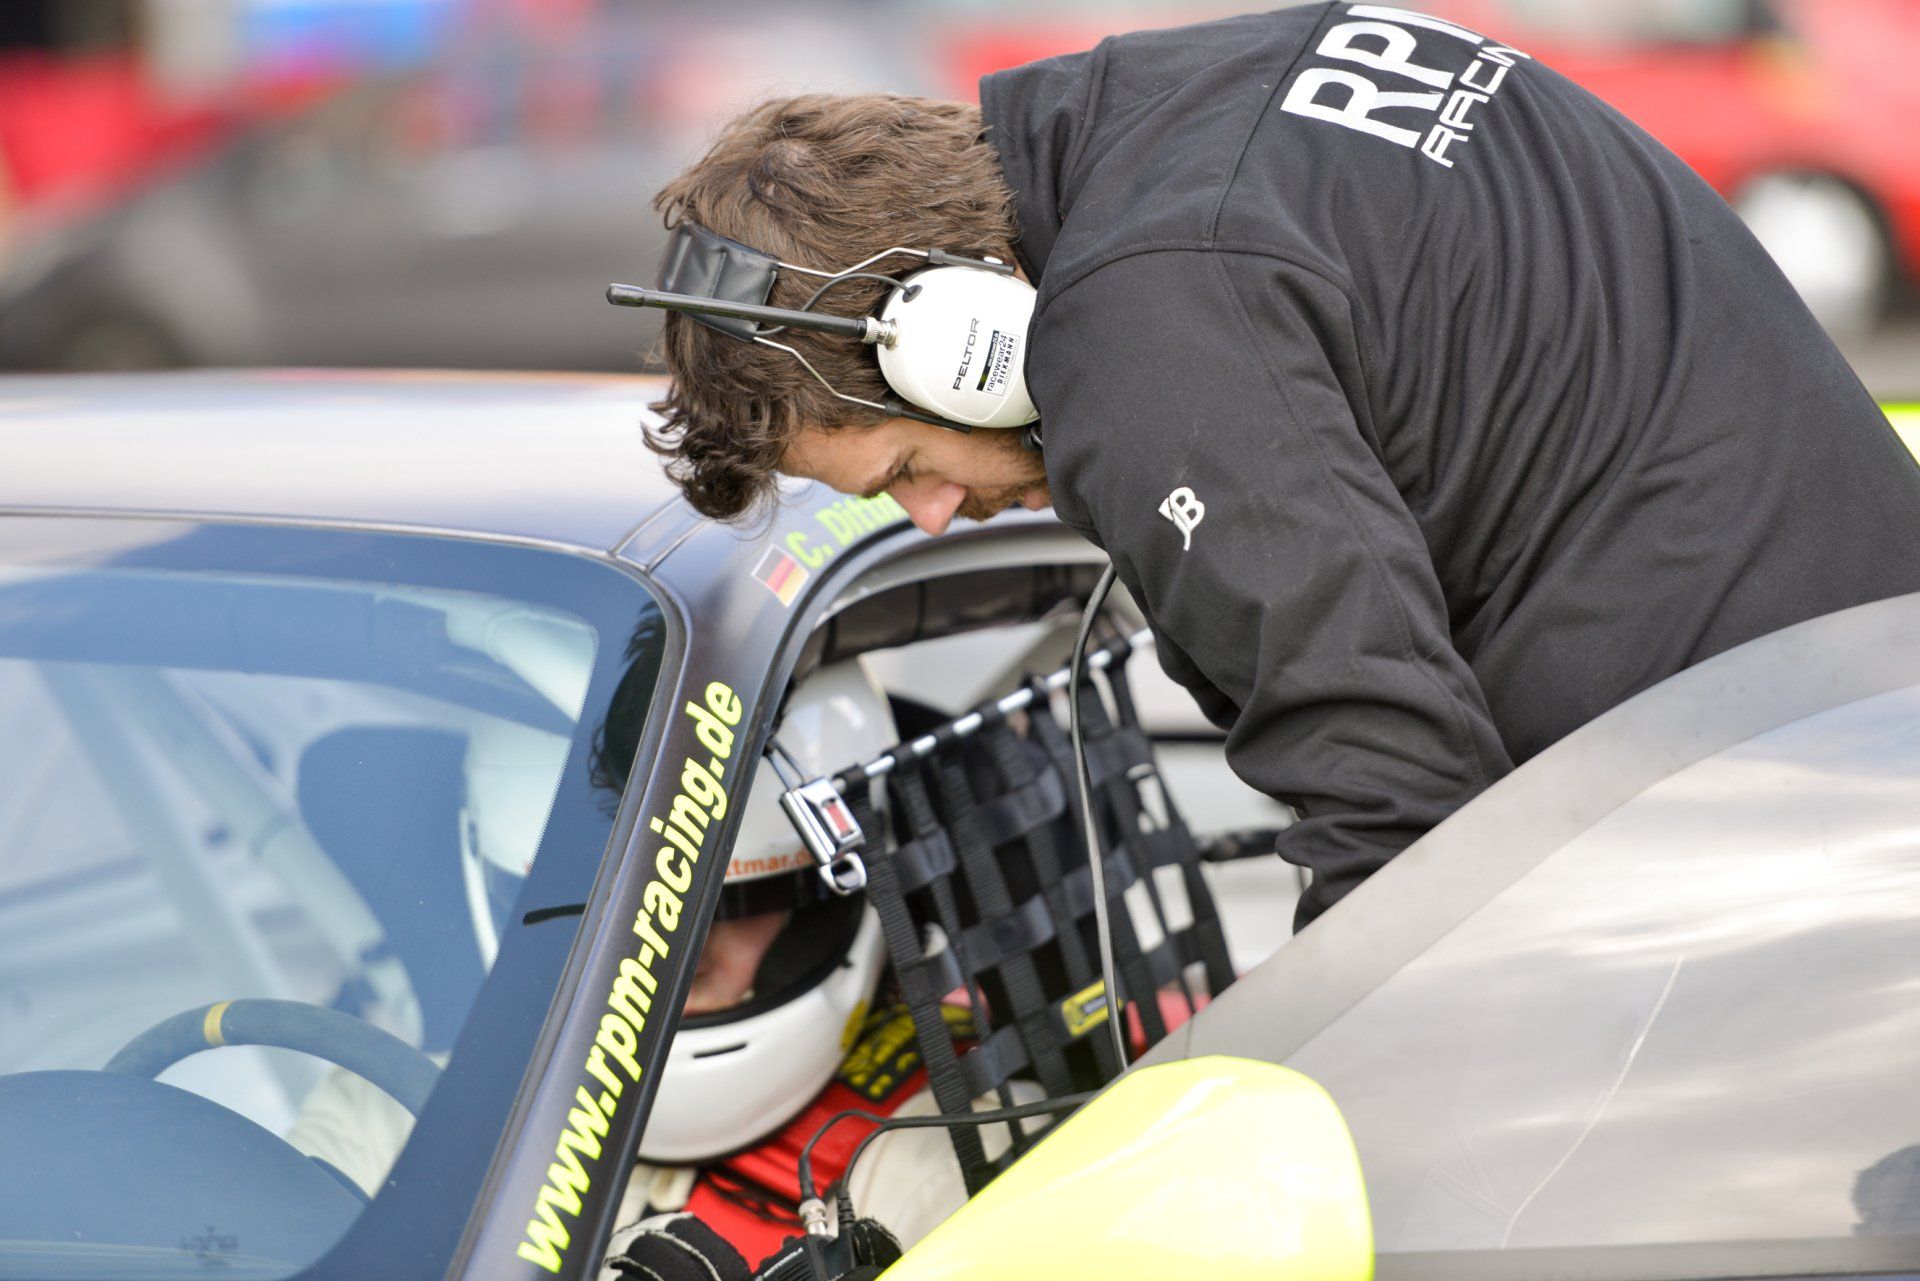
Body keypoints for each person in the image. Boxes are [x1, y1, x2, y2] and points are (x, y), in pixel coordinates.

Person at [635, 2, 1920, 928]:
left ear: (960, 345)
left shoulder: (1143, 342)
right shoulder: (1199, 91)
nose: (929, 515)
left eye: (906, 462)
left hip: (1760, 818)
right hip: (1851, 705)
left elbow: (1394, 806)